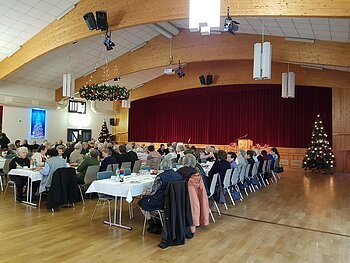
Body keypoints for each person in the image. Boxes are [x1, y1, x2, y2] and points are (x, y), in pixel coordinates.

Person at [138, 157, 182, 234]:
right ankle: (158, 219)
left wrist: (145, 193)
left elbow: (153, 192)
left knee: (141, 202)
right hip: (173, 201)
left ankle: (151, 224)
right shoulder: (178, 175)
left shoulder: (160, 177)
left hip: (161, 201)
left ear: (162, 166)